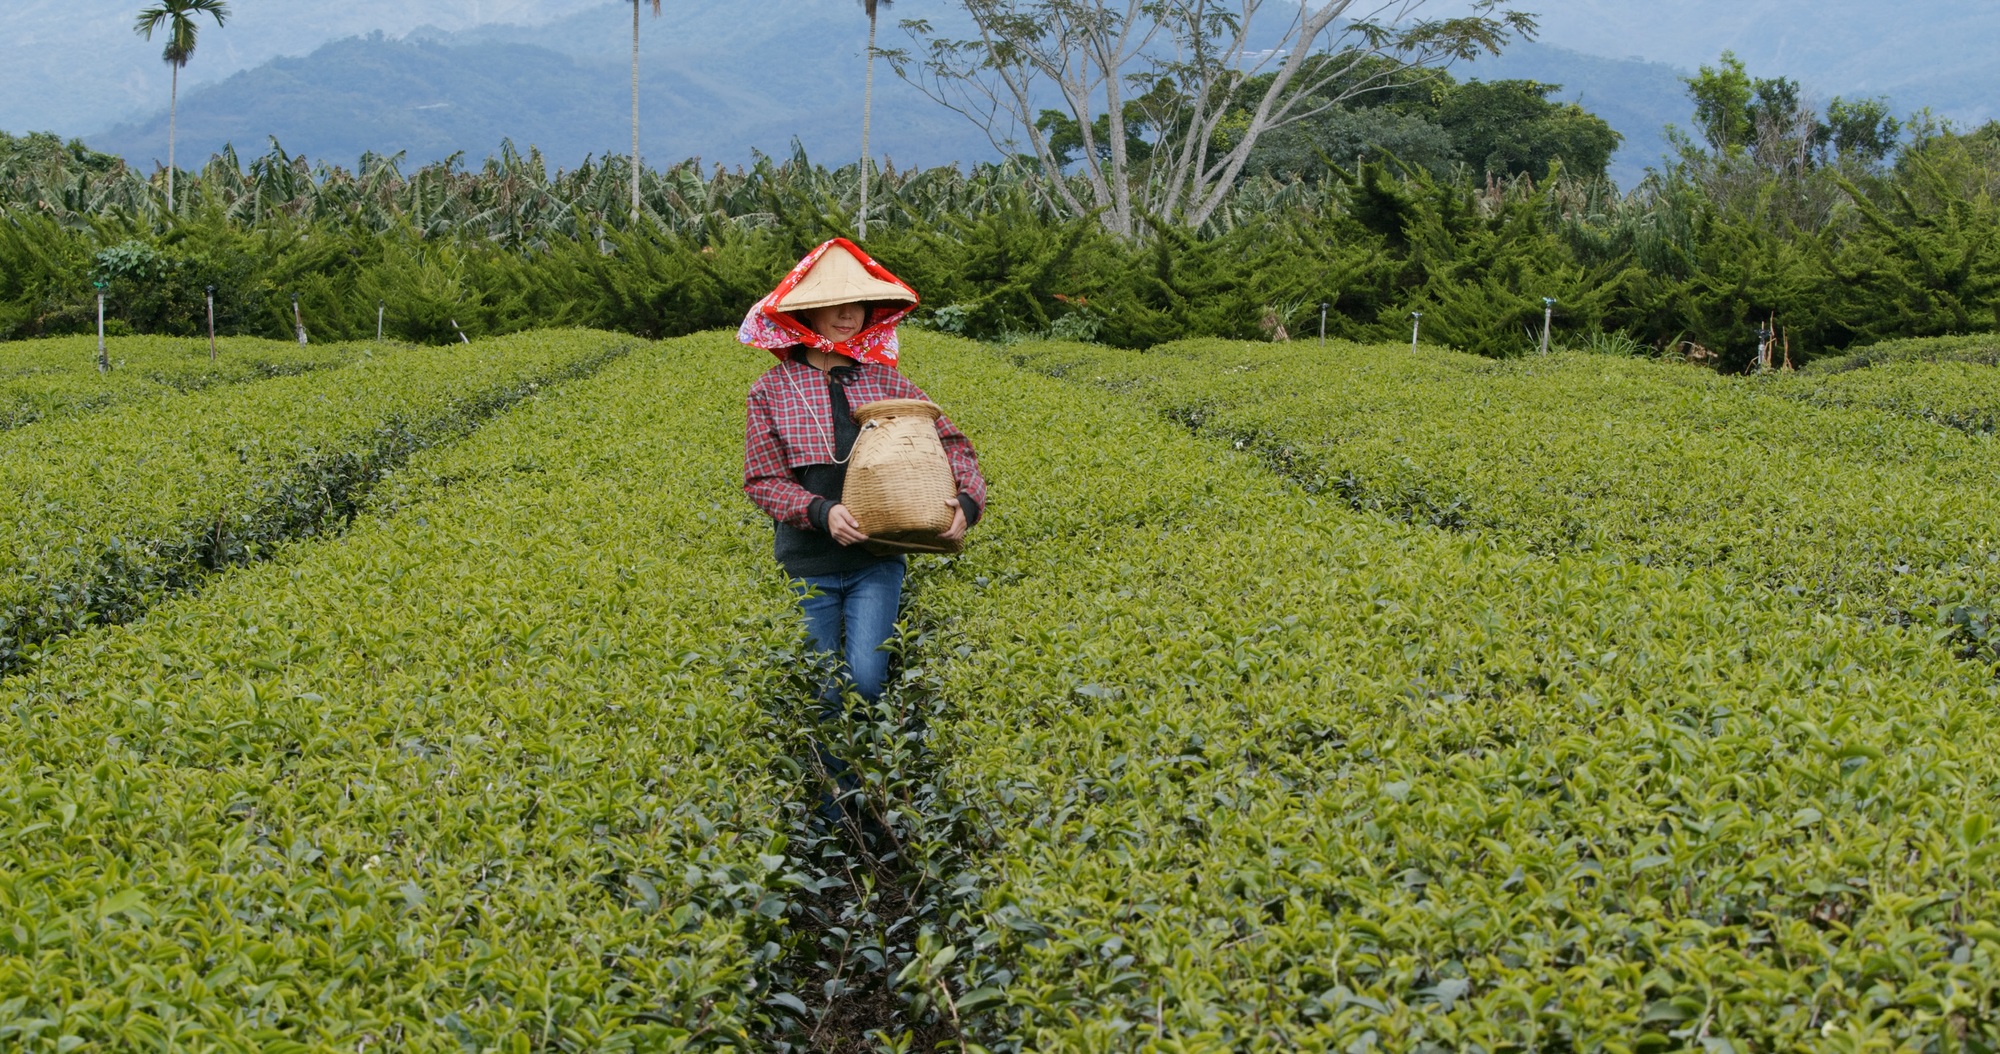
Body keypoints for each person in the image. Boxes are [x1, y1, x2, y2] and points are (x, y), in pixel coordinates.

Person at [740, 238, 986, 709]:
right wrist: (820, 511)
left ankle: (865, 775)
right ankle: (838, 779)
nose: (848, 313)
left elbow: (953, 445)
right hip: (808, 563)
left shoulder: (886, 379)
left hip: (877, 559)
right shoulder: (770, 389)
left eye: (858, 303)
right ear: (807, 314)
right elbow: (762, 479)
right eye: (834, 303)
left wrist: (968, 502)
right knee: (823, 689)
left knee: (867, 682)